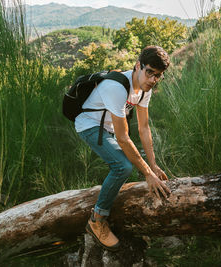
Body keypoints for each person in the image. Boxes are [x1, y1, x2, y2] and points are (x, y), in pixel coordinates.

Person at [75, 45, 171, 251]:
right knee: (123, 166)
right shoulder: (117, 87)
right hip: (90, 125)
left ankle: (107, 204)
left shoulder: (145, 90)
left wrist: (153, 166)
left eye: (158, 76)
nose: (153, 79)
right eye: (149, 72)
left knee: (130, 164)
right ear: (138, 66)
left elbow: (144, 129)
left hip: (108, 126)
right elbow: (123, 138)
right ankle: (97, 220)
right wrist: (147, 173)